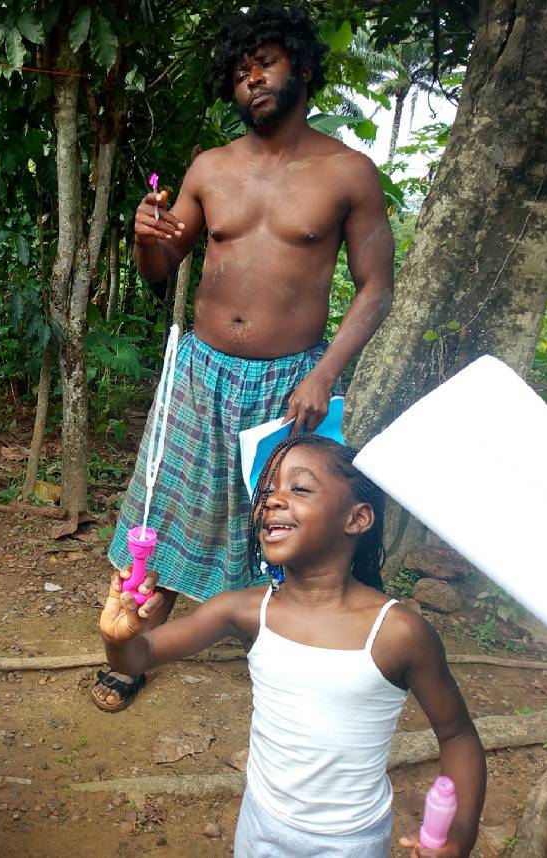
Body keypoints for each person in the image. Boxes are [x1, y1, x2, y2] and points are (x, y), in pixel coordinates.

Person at [94, 4, 395, 711]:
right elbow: (161, 268)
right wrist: (146, 236)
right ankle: (132, 644)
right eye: (239, 71)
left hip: (295, 379)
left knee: (293, 520)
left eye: (265, 62)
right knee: (162, 507)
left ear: (305, 69)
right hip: (201, 371)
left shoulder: (347, 172)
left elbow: (377, 287)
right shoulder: (211, 168)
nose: (251, 78)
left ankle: (299, 662)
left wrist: (324, 375)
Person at [100, 434, 486, 857]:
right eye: (267, 490)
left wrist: (460, 834)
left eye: (299, 488)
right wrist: (118, 640)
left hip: (350, 840)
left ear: (356, 519)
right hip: (260, 823)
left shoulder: (397, 633)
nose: (272, 501)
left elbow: (457, 735)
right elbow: (139, 657)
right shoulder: (245, 610)